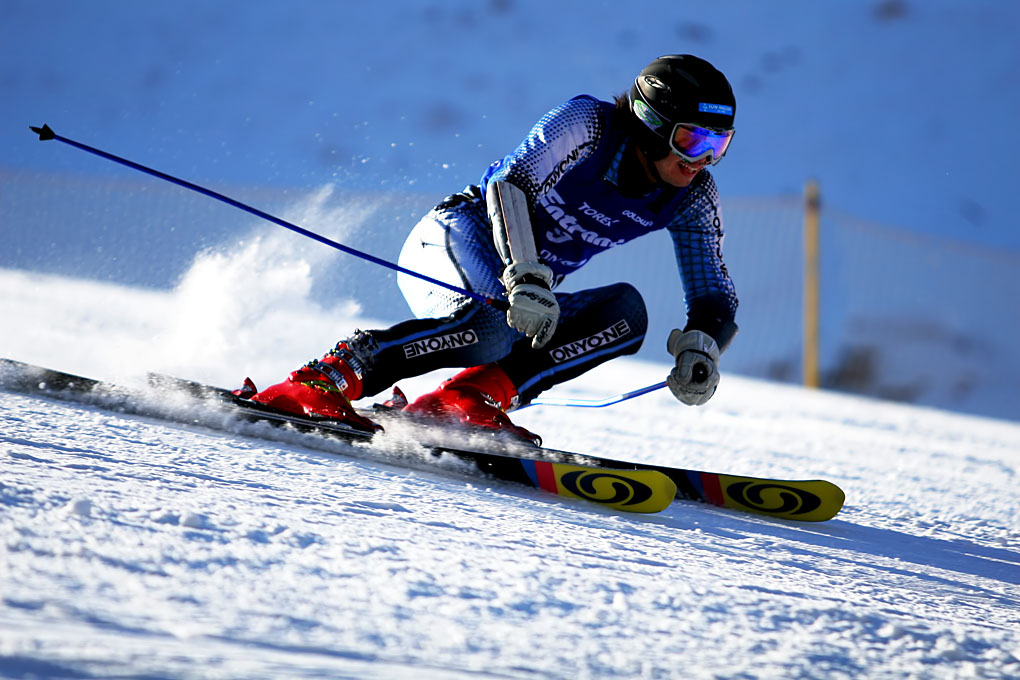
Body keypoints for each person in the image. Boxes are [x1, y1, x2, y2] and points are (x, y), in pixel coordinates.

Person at [238, 54, 740, 443]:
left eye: (719, 146)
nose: (703, 161)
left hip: (524, 295)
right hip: (456, 238)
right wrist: (524, 273)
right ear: (651, 125)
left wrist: (703, 346)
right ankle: (323, 379)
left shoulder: (692, 196)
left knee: (625, 315)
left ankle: (468, 398)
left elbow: (714, 293)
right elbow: (509, 185)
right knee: (488, 328)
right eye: (693, 141)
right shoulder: (588, 125)